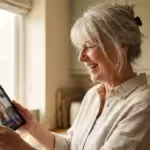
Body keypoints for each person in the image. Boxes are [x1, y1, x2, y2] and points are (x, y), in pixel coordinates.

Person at [0, 2, 150, 150]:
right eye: (80, 47)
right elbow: (71, 145)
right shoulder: (93, 95)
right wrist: (32, 126)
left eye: (89, 46)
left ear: (122, 44)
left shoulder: (142, 105)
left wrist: (19, 145)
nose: (81, 57)